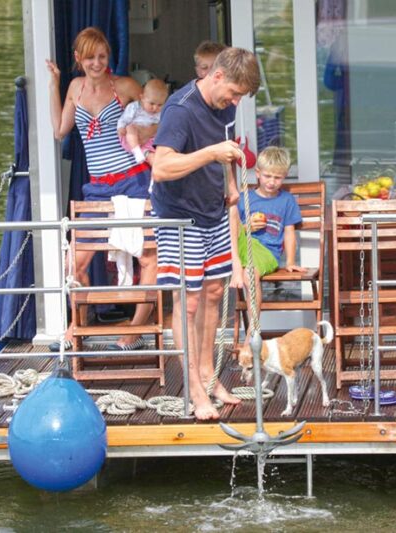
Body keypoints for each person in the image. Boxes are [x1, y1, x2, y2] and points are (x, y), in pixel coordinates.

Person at [150, 47, 261, 420]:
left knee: (214, 293)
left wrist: (228, 182)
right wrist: (211, 153)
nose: (235, 102)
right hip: (179, 215)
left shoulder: (224, 107)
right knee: (189, 300)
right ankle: (194, 389)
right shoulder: (180, 109)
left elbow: (224, 155)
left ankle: (209, 375)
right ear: (216, 76)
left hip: (213, 210)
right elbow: (161, 167)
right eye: (233, 93)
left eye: (240, 98)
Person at [44, 27, 156, 351]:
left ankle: (136, 329)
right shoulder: (75, 88)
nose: (97, 63)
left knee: (148, 257)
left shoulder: (125, 86)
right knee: (73, 265)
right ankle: (79, 324)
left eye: (102, 56)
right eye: (90, 57)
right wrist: (55, 83)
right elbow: (59, 130)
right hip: (97, 188)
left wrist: (144, 136)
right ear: (79, 59)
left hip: (133, 180)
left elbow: (161, 116)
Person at [231, 146, 305, 316]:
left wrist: (290, 262)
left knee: (249, 276)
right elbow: (232, 232)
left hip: (267, 252)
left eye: (277, 178)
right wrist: (245, 226)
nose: (271, 182)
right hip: (241, 248)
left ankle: (253, 333)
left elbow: (289, 233)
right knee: (231, 210)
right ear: (257, 173)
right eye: (267, 176)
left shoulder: (286, 200)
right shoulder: (244, 199)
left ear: (284, 177)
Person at [117, 78, 169, 164]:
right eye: (151, 103)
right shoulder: (134, 107)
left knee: (156, 158)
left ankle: (154, 170)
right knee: (130, 127)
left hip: (150, 141)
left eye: (160, 105)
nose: (155, 108)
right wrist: (120, 128)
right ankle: (137, 151)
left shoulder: (161, 112)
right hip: (131, 140)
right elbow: (124, 119)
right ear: (142, 98)